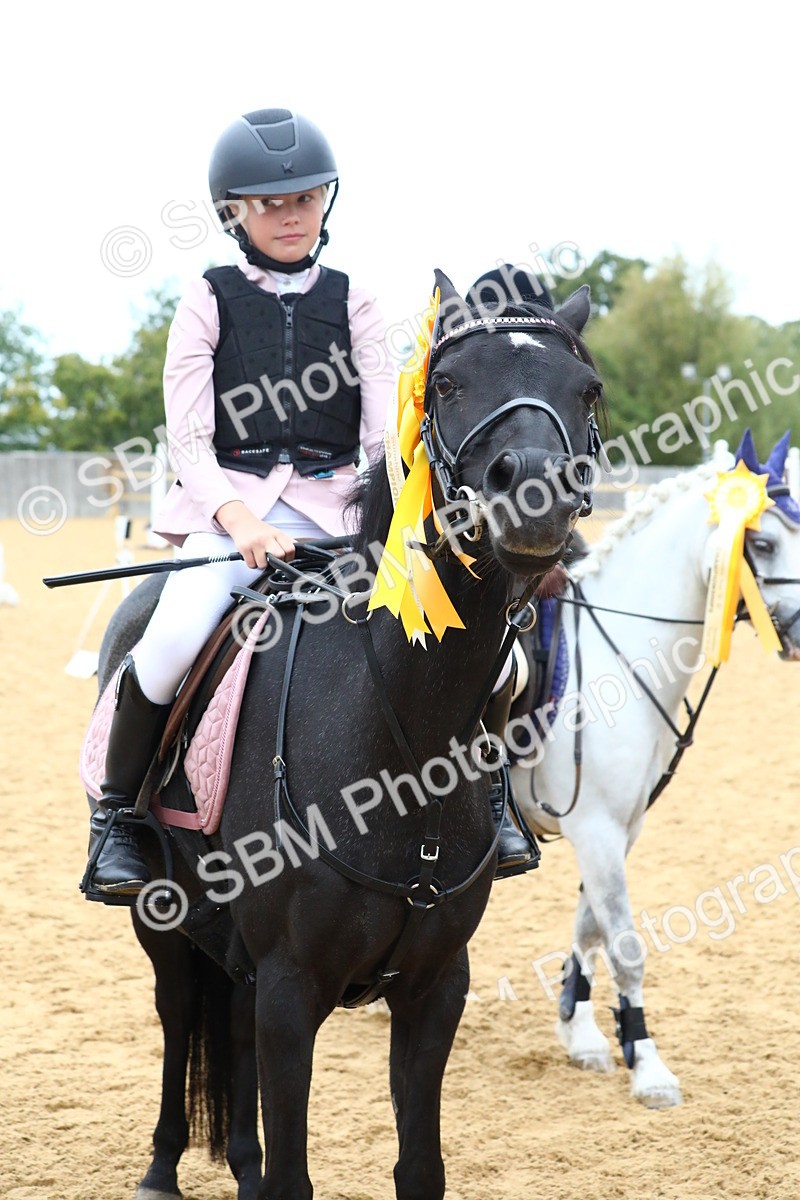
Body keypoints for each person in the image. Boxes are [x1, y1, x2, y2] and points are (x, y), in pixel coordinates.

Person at [84, 108, 531, 899]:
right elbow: (187, 441)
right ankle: (119, 821)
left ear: (328, 200)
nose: (291, 216)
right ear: (235, 212)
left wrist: (393, 520)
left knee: (498, 655)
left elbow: (381, 431)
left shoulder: (356, 297)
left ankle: (492, 802)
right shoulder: (205, 299)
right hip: (229, 518)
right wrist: (242, 522)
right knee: (169, 640)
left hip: (345, 517)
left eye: (306, 198)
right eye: (269, 204)